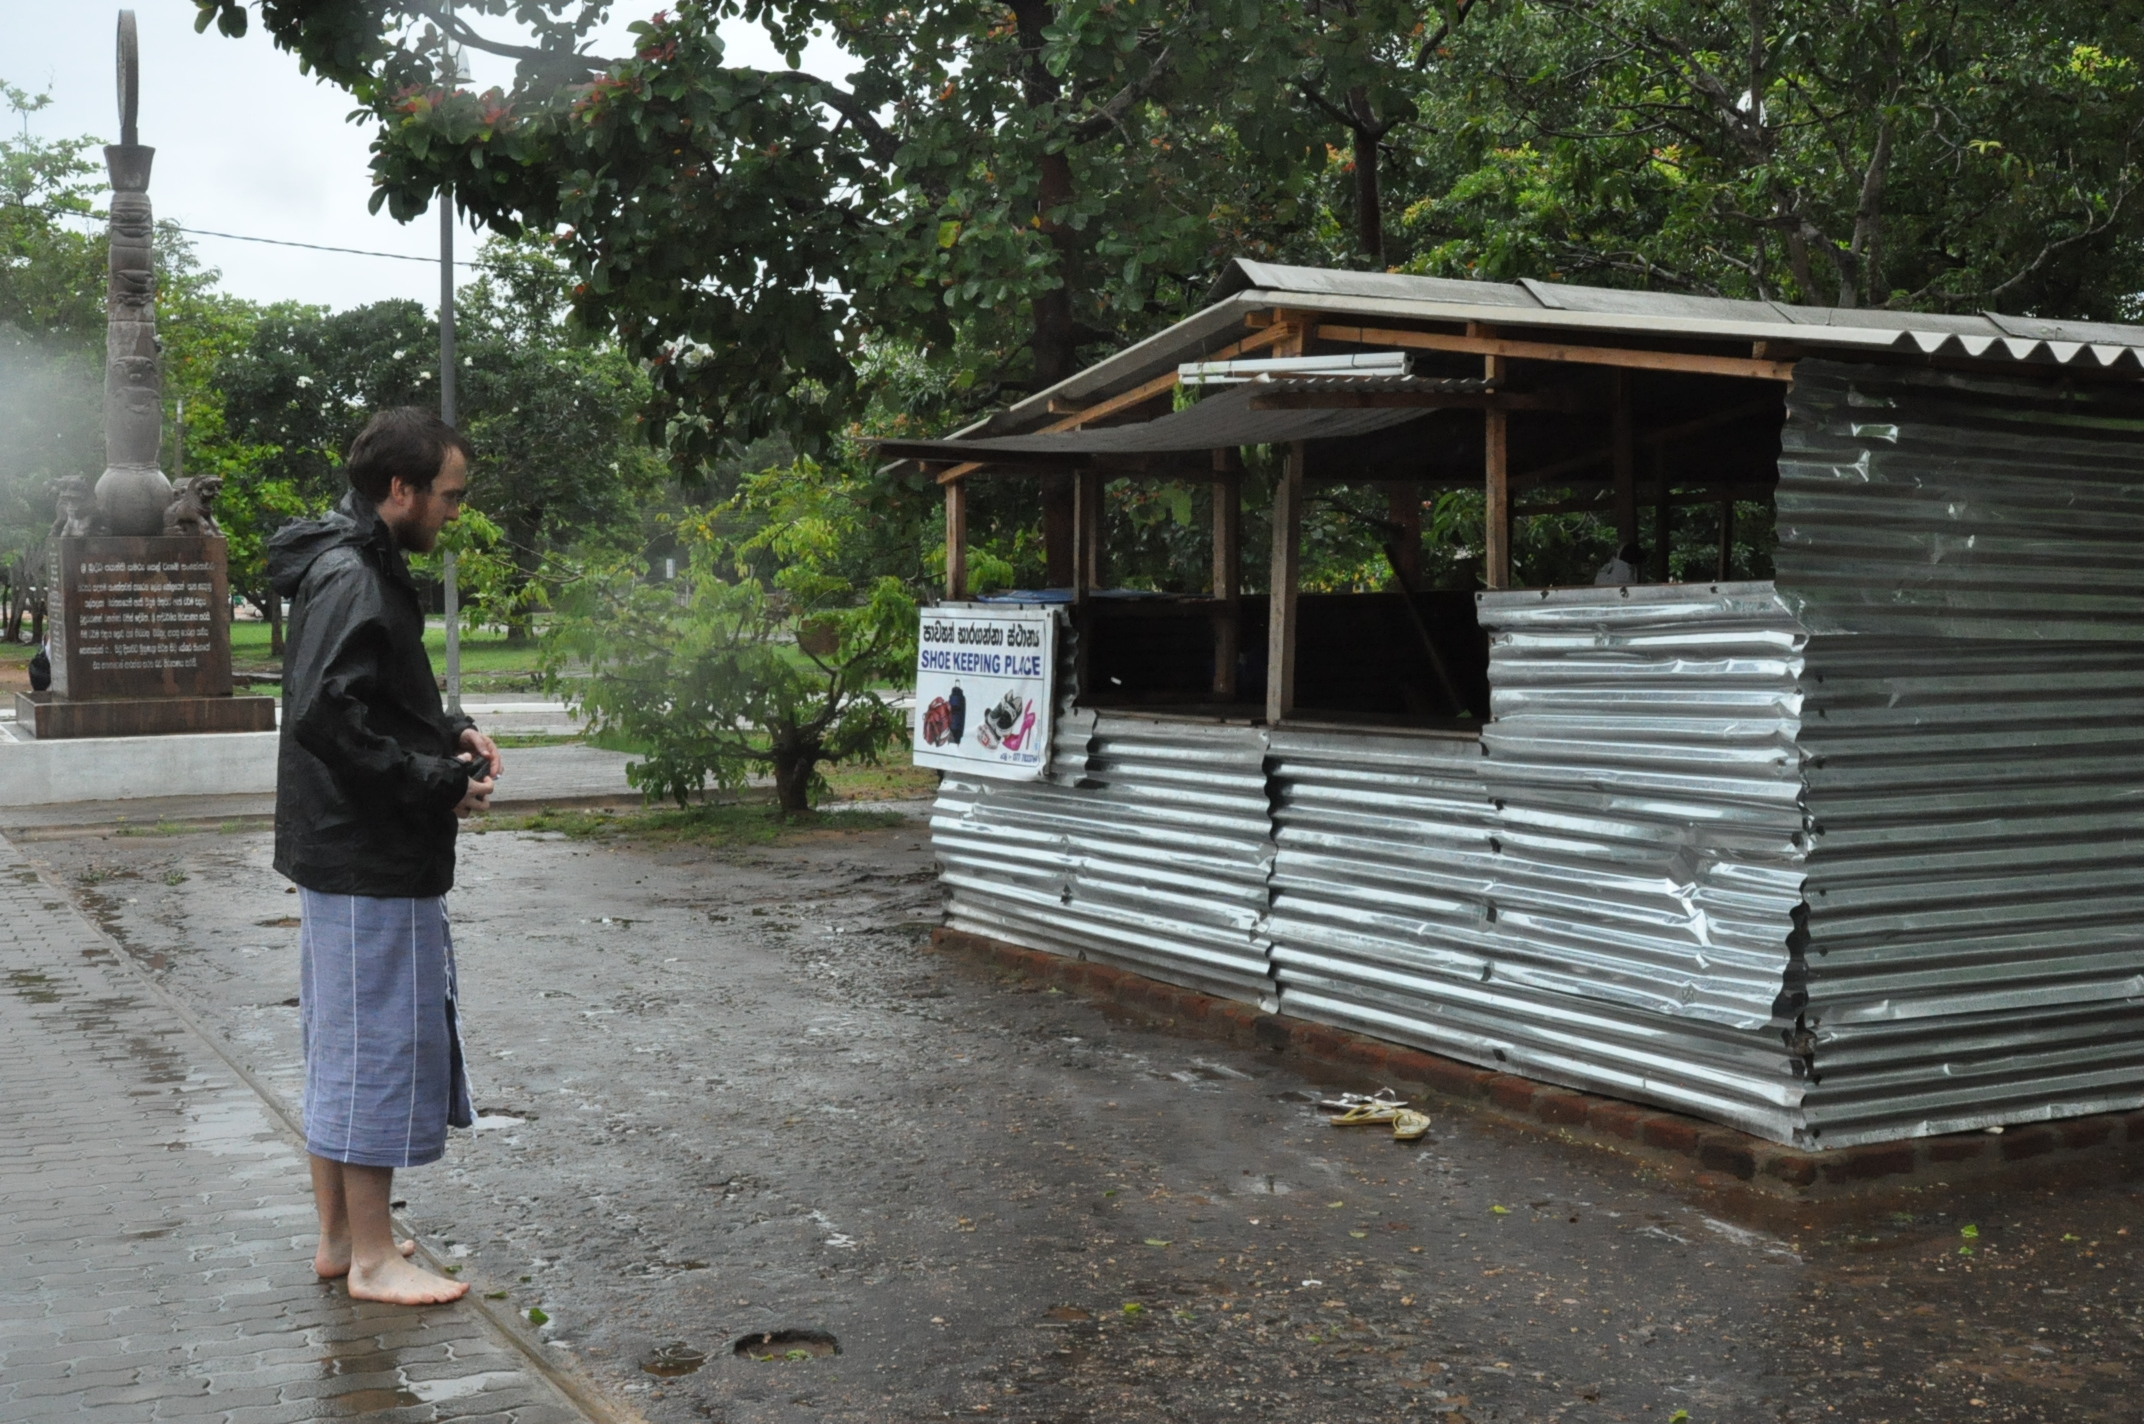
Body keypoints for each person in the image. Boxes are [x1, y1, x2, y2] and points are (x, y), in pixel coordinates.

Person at [266, 407, 503, 1306]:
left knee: (342, 1042)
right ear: (399, 488)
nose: (455, 511)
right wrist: (439, 783)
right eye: (449, 494)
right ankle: (373, 1260)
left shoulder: (349, 561)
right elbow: (326, 718)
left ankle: (341, 1238)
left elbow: (371, 697)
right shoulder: (354, 575)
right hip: (368, 854)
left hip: (346, 851)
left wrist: (451, 730)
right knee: (374, 1048)